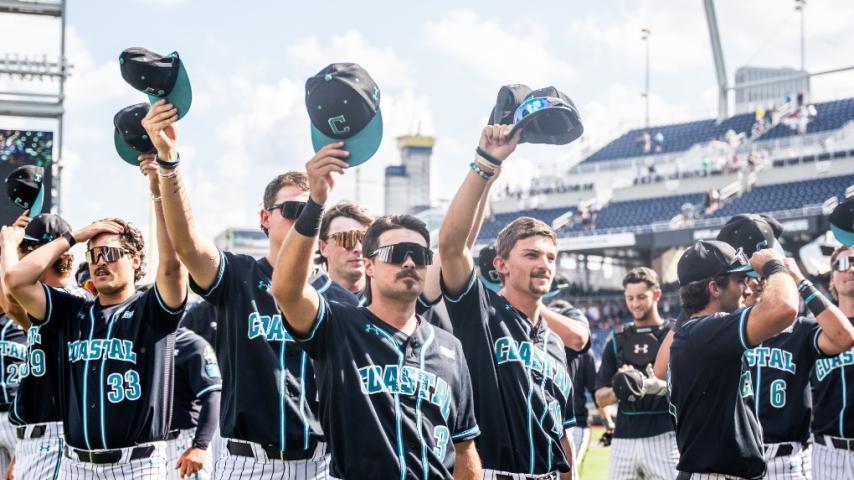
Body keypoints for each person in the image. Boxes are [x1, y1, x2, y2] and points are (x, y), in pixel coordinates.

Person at [143, 100, 355, 478]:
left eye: (311, 211)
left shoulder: (337, 297)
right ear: (265, 218)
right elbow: (187, 245)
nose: (301, 220)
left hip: (319, 464)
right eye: (292, 211)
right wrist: (169, 162)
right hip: (247, 462)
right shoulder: (240, 276)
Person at [271, 143, 482, 479]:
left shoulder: (449, 347)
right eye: (395, 253)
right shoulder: (338, 325)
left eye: (418, 254)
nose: (409, 262)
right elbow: (286, 290)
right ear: (369, 266)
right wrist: (316, 203)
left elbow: (464, 446)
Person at [3, 154, 187, 478]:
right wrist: (75, 236)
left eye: (111, 253)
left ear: (135, 260)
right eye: (94, 254)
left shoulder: (150, 310)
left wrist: (159, 194)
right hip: (77, 465)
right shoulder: (72, 310)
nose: (101, 262)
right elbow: (15, 280)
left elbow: (172, 266)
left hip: (137, 465)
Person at [439, 124, 588, 479]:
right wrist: (485, 165)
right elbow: (451, 246)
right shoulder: (482, 313)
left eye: (550, 257)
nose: (544, 264)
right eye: (531, 255)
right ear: (501, 265)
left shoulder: (554, 341)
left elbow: (562, 435)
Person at [717, 214, 854, 479]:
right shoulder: (725, 329)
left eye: (764, 277)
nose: (757, 283)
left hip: (787, 461)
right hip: (734, 458)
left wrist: (797, 278)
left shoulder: (801, 329)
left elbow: (843, 336)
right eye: (748, 278)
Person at [667, 240, 800, 479]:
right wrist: (774, 266)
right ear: (714, 288)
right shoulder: (704, 333)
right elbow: (784, 308)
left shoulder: (697, 334)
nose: (747, 290)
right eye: (740, 281)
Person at [0, 213, 92, 480]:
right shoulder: (50, 303)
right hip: (39, 437)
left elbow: (11, 298)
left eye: (24, 252)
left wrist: (8, 244)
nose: (20, 260)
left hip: (55, 435)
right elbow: (10, 305)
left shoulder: (72, 299)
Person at [594, 268, 677, 479]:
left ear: (656, 294)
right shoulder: (616, 340)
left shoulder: (675, 334)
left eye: (641, 297)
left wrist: (657, 386)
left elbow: (691, 389)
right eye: (630, 298)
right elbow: (600, 398)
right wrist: (623, 386)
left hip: (666, 436)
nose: (635, 304)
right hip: (623, 439)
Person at [811, 246, 854, 479]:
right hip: (827, 453)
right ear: (831, 279)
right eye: (843, 264)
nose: (851, 269)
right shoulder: (814, 331)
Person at [167, 327, 223, 480]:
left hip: (183, 443)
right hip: (146, 448)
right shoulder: (138, 341)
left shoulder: (190, 343)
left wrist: (199, 445)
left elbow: (213, 394)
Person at [317, 201, 374, 298]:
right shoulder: (309, 301)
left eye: (365, 239)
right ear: (323, 247)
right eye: (346, 238)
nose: (359, 248)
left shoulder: (387, 301)